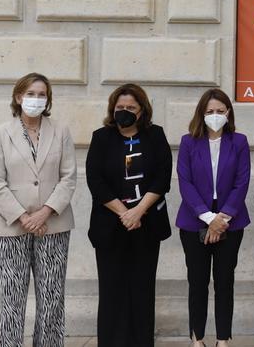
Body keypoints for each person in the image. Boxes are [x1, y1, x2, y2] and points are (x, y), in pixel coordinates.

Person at [0, 73, 76, 347]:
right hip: (11, 226)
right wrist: (25, 217)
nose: (36, 99)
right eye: (31, 94)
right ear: (18, 97)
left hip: (53, 225)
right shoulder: (1, 133)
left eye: (42, 95)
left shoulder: (60, 131)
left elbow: (69, 176)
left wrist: (45, 212)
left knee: (51, 297)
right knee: (12, 299)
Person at [86, 83, 172, 346]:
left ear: (142, 110)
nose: (124, 111)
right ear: (113, 109)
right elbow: (95, 180)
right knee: (112, 289)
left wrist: (139, 211)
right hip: (110, 226)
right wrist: (124, 212)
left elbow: (162, 177)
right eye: (120, 107)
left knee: (141, 289)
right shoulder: (101, 137)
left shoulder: (155, 135)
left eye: (131, 107)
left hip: (146, 227)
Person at [176, 88, 251, 347]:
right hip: (194, 219)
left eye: (220, 111)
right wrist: (209, 218)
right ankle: (197, 338)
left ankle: (223, 339)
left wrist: (223, 218)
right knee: (197, 282)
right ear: (201, 114)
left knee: (224, 281)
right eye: (210, 111)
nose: (215, 115)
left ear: (228, 113)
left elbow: (242, 183)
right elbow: (184, 182)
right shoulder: (188, 142)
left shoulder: (239, 141)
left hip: (231, 220)